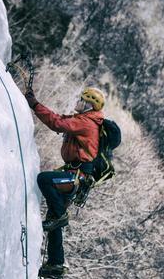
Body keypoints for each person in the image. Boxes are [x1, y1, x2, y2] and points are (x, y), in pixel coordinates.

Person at [25, 87, 105, 278]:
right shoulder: (85, 121)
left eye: (82, 99)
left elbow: (58, 123)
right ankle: (56, 264)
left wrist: (34, 104)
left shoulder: (86, 123)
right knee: (54, 220)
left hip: (76, 176)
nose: (78, 101)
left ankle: (60, 216)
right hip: (74, 174)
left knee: (44, 179)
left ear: (88, 105)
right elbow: (61, 119)